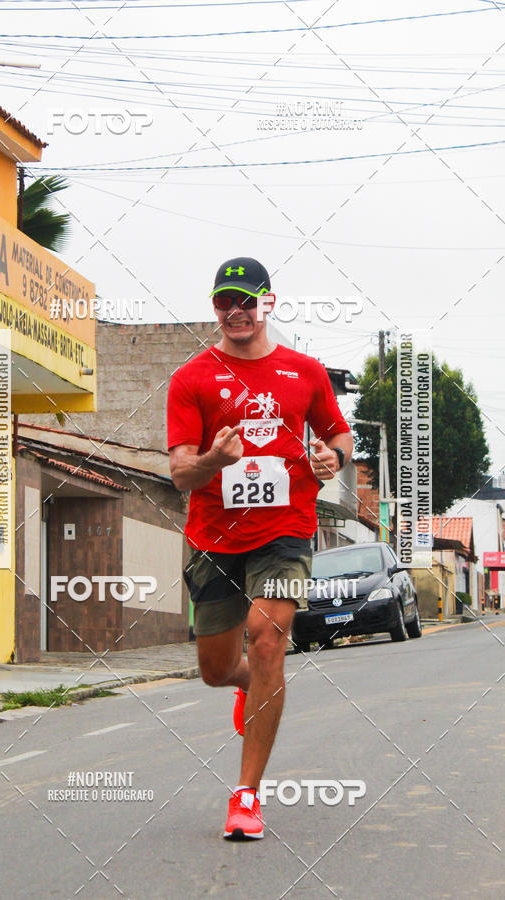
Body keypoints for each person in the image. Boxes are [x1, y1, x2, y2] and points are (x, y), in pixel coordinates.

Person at [166, 257, 353, 840]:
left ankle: (247, 795)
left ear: (268, 303)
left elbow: (337, 433)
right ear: (215, 308)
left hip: (286, 528)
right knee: (216, 668)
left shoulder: (305, 372)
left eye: (246, 301)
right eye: (225, 302)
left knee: (266, 636)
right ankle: (246, 685)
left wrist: (335, 458)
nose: (235, 311)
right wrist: (213, 462)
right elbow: (179, 476)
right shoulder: (192, 378)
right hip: (214, 537)